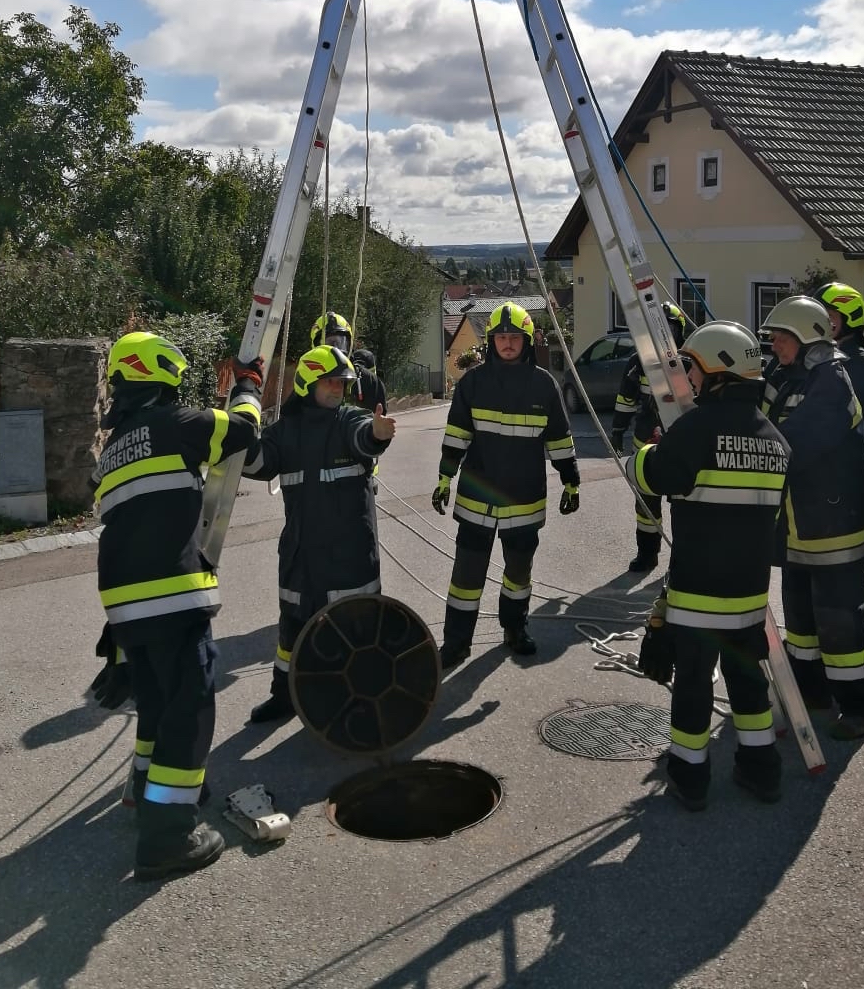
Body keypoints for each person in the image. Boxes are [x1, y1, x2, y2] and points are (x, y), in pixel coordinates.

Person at [95, 331, 263, 881]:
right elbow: (242, 432)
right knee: (190, 702)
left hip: (123, 605)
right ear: (162, 372)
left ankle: (147, 793)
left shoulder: (114, 446)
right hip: (169, 593)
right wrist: (248, 386)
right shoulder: (176, 423)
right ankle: (168, 836)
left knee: (158, 703)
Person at [633, 321, 791, 810]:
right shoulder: (775, 439)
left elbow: (656, 476)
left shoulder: (696, 428)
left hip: (697, 592)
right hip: (748, 596)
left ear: (716, 370)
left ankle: (690, 775)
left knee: (694, 687)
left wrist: (644, 453)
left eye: (694, 369)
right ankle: (761, 769)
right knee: (747, 683)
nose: (691, 381)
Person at [241, 344, 397, 723]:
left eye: (342, 383)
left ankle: (360, 702)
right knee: (291, 633)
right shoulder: (283, 431)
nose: (337, 389)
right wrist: (236, 434)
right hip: (301, 554)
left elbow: (366, 437)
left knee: (356, 633)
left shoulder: (350, 420)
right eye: (330, 382)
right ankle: (285, 696)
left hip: (350, 555)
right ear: (309, 382)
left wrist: (378, 434)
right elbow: (258, 463)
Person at [432, 301, 580, 671]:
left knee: (518, 572)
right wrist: (444, 477)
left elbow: (559, 438)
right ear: (492, 342)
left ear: (527, 341)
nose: (508, 343)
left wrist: (571, 480)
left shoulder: (544, 385)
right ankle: (456, 641)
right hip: (476, 498)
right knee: (466, 574)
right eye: (501, 337)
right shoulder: (473, 383)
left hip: (524, 498)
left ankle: (515, 629)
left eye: (515, 337)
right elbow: (456, 436)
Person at [760, 295, 864, 741]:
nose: (774, 345)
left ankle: (857, 707)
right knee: (802, 624)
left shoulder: (832, 382)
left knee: (838, 623)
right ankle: (811, 693)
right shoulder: (785, 375)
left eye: (781, 337)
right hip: (797, 529)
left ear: (807, 338)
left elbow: (794, 444)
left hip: (832, 529)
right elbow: (756, 413)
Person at [611, 301, 690, 574]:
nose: (662, 334)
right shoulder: (638, 362)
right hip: (644, 444)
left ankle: (682, 562)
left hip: (682, 449)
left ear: (679, 331)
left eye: (668, 328)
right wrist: (618, 431)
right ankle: (647, 555)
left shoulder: (690, 363)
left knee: (684, 508)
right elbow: (625, 400)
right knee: (645, 506)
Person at [814, 281, 864, 503]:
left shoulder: (860, 363)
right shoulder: (835, 356)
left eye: (829, 317)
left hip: (850, 479)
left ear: (849, 318)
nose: (822, 324)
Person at [309, 309, 387, 413]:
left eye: (341, 342)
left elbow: (378, 420)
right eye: (329, 343)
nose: (335, 349)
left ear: (349, 345)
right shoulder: (307, 381)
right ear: (316, 346)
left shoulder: (368, 381)